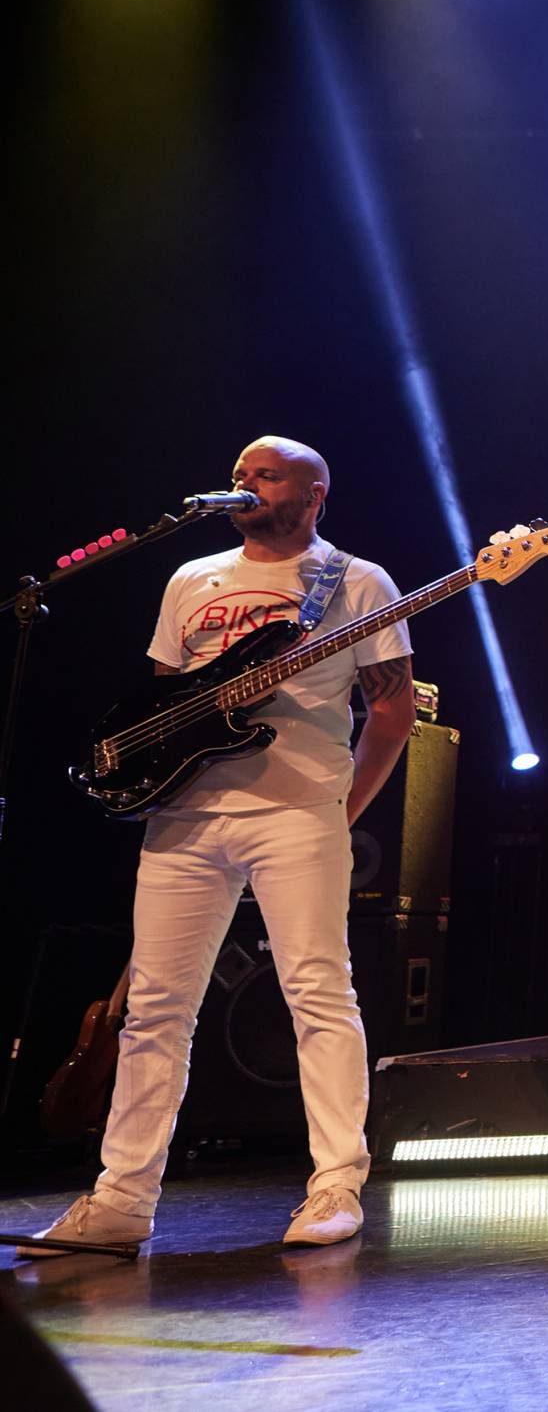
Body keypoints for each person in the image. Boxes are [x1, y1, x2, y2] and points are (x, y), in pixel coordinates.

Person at [17, 437, 415, 1258]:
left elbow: (392, 711)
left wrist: (342, 808)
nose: (245, 483)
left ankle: (336, 1183)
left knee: (317, 993)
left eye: (266, 475)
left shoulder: (355, 581)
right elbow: (166, 705)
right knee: (155, 1010)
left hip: (296, 811)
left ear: (315, 494)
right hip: (185, 818)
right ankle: (121, 1200)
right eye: (240, 473)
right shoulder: (190, 578)